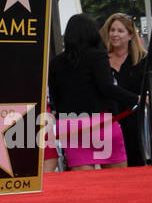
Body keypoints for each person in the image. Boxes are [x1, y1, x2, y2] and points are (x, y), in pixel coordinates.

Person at [48, 14, 134, 170]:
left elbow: (55, 96)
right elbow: (107, 87)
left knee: (85, 186)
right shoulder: (97, 56)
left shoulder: (56, 62)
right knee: (118, 182)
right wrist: (136, 99)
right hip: (99, 123)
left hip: (71, 125)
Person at [100, 12, 146, 167]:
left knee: (136, 162)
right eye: (112, 30)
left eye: (120, 31)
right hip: (109, 121)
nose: (115, 34)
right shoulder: (101, 60)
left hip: (135, 121)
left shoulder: (141, 59)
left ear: (130, 35)